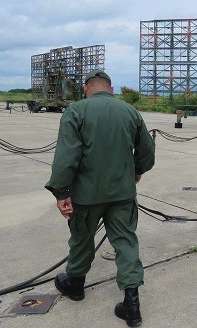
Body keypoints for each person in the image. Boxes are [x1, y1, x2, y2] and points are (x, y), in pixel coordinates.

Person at [45, 70, 155, 327]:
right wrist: (137, 170)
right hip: (122, 193)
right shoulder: (130, 112)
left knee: (82, 237)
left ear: (86, 88)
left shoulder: (76, 111)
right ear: (111, 88)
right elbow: (147, 150)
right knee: (126, 241)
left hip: (86, 194)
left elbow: (66, 156)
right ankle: (132, 303)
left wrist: (61, 192)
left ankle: (75, 283)